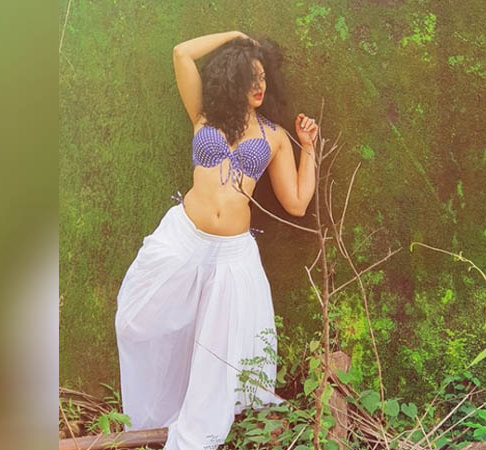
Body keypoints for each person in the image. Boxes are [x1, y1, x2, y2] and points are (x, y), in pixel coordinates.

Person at [114, 30, 318, 450]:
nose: (259, 86)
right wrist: (235, 37)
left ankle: (195, 430)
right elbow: (181, 53)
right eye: (250, 77)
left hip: (231, 255)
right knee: (134, 321)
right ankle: (152, 416)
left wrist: (308, 148)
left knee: (216, 352)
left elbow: (297, 203)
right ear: (231, 79)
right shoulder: (204, 116)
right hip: (184, 239)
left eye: (263, 78)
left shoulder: (275, 136)